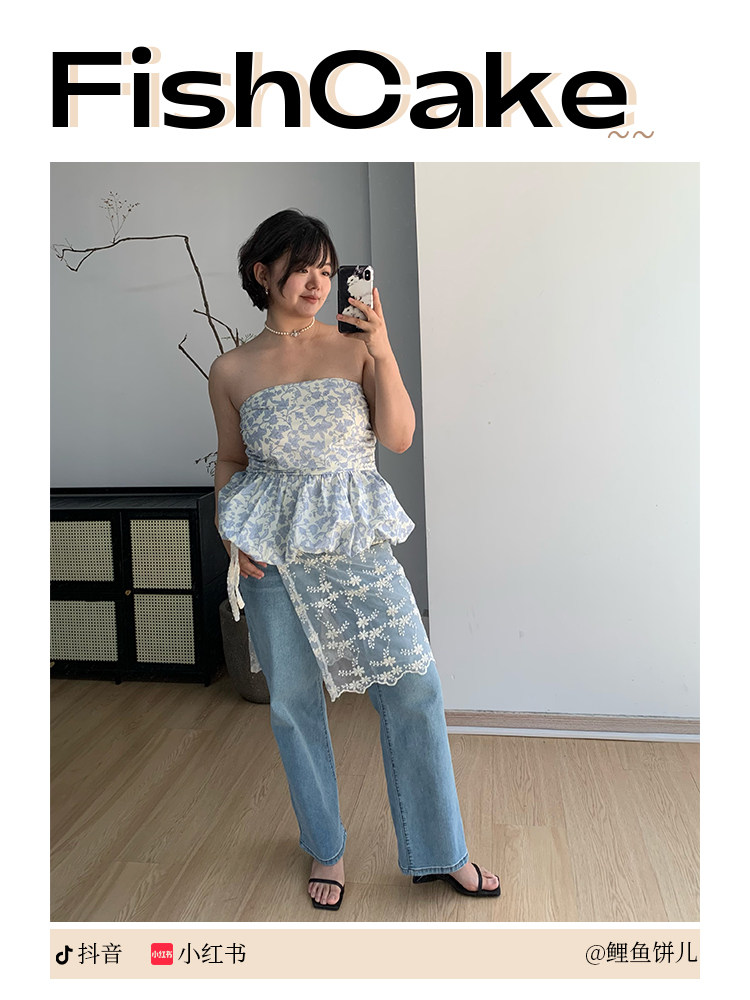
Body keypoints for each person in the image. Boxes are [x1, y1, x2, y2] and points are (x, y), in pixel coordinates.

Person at [209, 208, 500, 911]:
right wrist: (229, 533)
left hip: (355, 543)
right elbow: (230, 461)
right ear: (263, 272)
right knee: (293, 706)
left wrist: (384, 348)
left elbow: (397, 438)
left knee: (415, 689)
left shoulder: (356, 348)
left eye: (326, 269)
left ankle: (441, 850)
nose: (317, 282)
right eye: (301, 268)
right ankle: (325, 846)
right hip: (270, 551)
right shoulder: (231, 369)